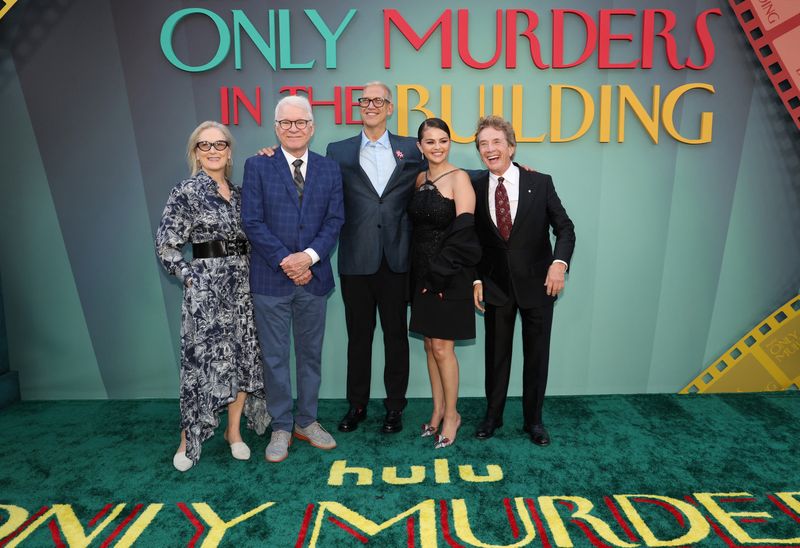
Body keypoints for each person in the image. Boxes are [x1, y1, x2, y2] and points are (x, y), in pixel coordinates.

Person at [155, 120, 269, 472]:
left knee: (242, 357)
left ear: (229, 151)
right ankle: (188, 439)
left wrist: (270, 157)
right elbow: (166, 245)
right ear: (195, 153)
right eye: (205, 146)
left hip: (242, 287)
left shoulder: (240, 194)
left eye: (220, 144)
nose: (213, 151)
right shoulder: (186, 192)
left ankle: (234, 433)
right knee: (200, 364)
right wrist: (190, 277)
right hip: (206, 292)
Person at [242, 95, 344, 463]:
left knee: (310, 355)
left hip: (314, 279)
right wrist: (287, 260)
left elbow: (335, 220)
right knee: (274, 357)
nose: (293, 128)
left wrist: (309, 258)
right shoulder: (257, 165)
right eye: (286, 123)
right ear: (276, 128)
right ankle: (281, 426)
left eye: (300, 122)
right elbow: (251, 220)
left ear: (312, 127)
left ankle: (307, 421)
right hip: (271, 279)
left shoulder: (329, 169)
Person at [326, 82, 424, 434]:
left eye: (378, 100)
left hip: (398, 258)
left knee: (396, 337)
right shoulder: (337, 151)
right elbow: (313, 181)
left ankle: (395, 407)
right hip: (356, 259)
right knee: (359, 338)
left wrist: (507, 169)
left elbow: (443, 175)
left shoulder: (412, 149)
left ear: (390, 107)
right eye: (365, 100)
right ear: (359, 106)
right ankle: (357, 406)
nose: (371, 105)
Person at [471, 115, 575, 446]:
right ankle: (493, 417)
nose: (490, 149)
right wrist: (476, 279)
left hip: (539, 285)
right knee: (496, 357)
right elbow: (471, 239)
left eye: (496, 142)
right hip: (496, 287)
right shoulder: (473, 187)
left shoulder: (540, 182)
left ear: (511, 147)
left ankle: (534, 421)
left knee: (536, 357)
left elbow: (566, 228)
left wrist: (559, 265)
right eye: (483, 144)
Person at [408, 118, 481, 449]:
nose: (437, 147)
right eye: (430, 141)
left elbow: (465, 233)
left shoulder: (460, 178)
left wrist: (437, 274)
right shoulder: (419, 178)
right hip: (421, 274)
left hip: (449, 274)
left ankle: (453, 415)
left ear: (450, 143)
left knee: (442, 347)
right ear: (420, 146)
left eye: (443, 140)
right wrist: (423, 275)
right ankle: (437, 410)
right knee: (428, 344)